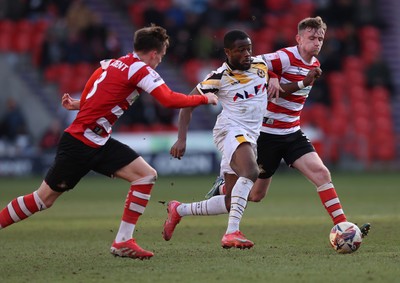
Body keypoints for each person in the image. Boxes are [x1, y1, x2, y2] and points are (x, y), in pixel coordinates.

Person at [0, 24, 218, 260]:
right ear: (154, 53)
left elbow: (95, 85)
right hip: (79, 143)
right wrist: (204, 98)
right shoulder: (141, 70)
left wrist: (78, 104)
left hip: (98, 141)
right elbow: (167, 99)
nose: (160, 62)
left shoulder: (112, 63)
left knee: (145, 175)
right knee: (43, 199)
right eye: (162, 56)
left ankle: (123, 241)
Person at [204, 16, 371, 237]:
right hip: (266, 134)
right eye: (311, 38)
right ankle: (224, 187)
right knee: (255, 195)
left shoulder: (315, 64)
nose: (317, 43)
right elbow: (255, 62)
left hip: (292, 132)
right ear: (298, 39)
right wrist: (272, 75)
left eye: (320, 38)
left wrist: (277, 79)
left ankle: (343, 227)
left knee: (321, 173)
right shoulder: (286, 56)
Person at [162, 30, 280, 249]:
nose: (247, 54)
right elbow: (188, 104)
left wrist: (282, 81)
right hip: (230, 130)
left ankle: (178, 209)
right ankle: (231, 232)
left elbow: (276, 76)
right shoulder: (219, 77)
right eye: (241, 50)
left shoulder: (261, 66)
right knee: (251, 172)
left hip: (251, 136)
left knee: (230, 201)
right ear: (228, 52)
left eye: (249, 49)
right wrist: (181, 139)